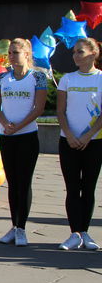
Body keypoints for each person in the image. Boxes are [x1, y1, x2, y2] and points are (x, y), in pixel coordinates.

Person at [0, 38, 47, 247]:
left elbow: (39, 108)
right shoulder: (2, 78)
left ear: (27, 54)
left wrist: (19, 125)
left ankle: (22, 228)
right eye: (10, 53)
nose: (11, 56)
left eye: (15, 52)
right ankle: (14, 226)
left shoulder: (38, 77)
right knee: (13, 183)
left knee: (24, 183)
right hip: (7, 136)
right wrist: (6, 123)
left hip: (27, 136)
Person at [56, 37, 102, 251]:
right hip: (69, 142)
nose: (75, 55)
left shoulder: (101, 78)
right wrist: (70, 135)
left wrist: (88, 136)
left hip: (94, 142)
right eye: (74, 52)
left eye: (80, 52)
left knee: (89, 188)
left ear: (93, 54)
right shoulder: (67, 79)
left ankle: (85, 232)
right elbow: (60, 111)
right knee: (72, 188)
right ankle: (74, 233)